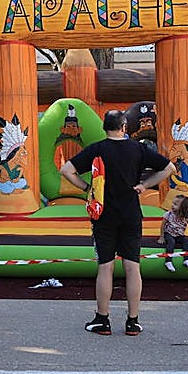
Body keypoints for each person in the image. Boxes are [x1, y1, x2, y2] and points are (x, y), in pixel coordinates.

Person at [60, 110, 175, 337]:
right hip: (131, 212)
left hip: (104, 213)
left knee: (106, 265)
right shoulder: (138, 148)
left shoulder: (97, 149)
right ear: (124, 127)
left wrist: (87, 189)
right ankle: (133, 321)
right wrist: (145, 184)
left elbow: (66, 170)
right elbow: (169, 168)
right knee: (133, 266)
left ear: (105, 127)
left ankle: (103, 320)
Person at [159, 193, 188, 272]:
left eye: (175, 204)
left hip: (179, 235)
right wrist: (161, 237)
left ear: (182, 207)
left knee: (186, 242)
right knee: (171, 242)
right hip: (168, 233)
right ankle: (168, 261)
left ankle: (186, 259)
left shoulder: (186, 217)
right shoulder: (169, 214)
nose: (172, 205)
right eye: (173, 203)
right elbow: (162, 225)